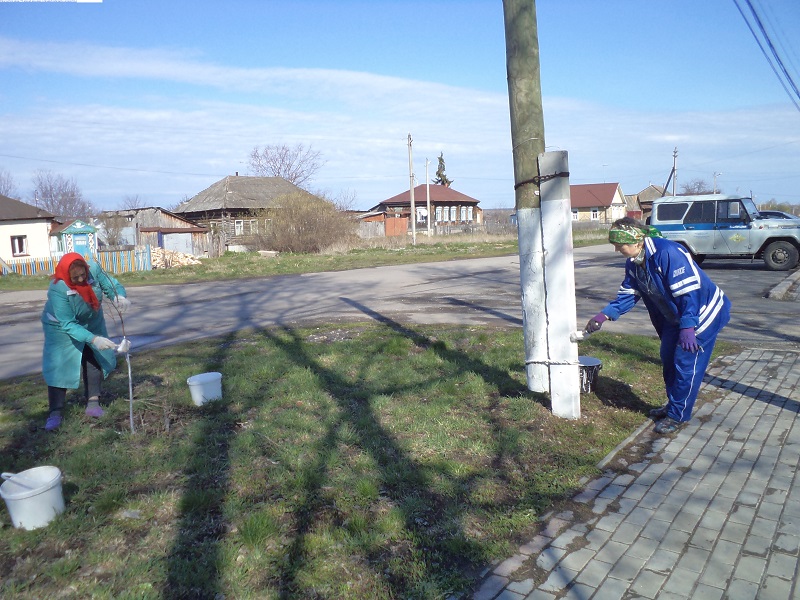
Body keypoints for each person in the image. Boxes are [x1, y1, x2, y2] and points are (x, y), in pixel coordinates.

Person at [585, 217, 731, 434]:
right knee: (668, 359)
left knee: (686, 364)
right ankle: (674, 404)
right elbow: (629, 294)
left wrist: (689, 327)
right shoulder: (634, 263)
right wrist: (603, 316)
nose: (617, 250)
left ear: (636, 241)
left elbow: (689, 293)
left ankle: (678, 415)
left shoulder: (668, 253)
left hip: (701, 314)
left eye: (619, 245)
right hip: (674, 318)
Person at [40, 252, 132, 431]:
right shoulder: (58, 287)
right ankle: (55, 412)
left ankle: (93, 404)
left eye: (84, 274)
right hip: (60, 327)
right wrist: (93, 339)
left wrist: (118, 296)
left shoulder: (94, 270)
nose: (82, 279)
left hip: (91, 322)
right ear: (67, 275)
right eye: (76, 277)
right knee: (60, 366)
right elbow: (68, 323)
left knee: (94, 357)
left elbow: (111, 285)